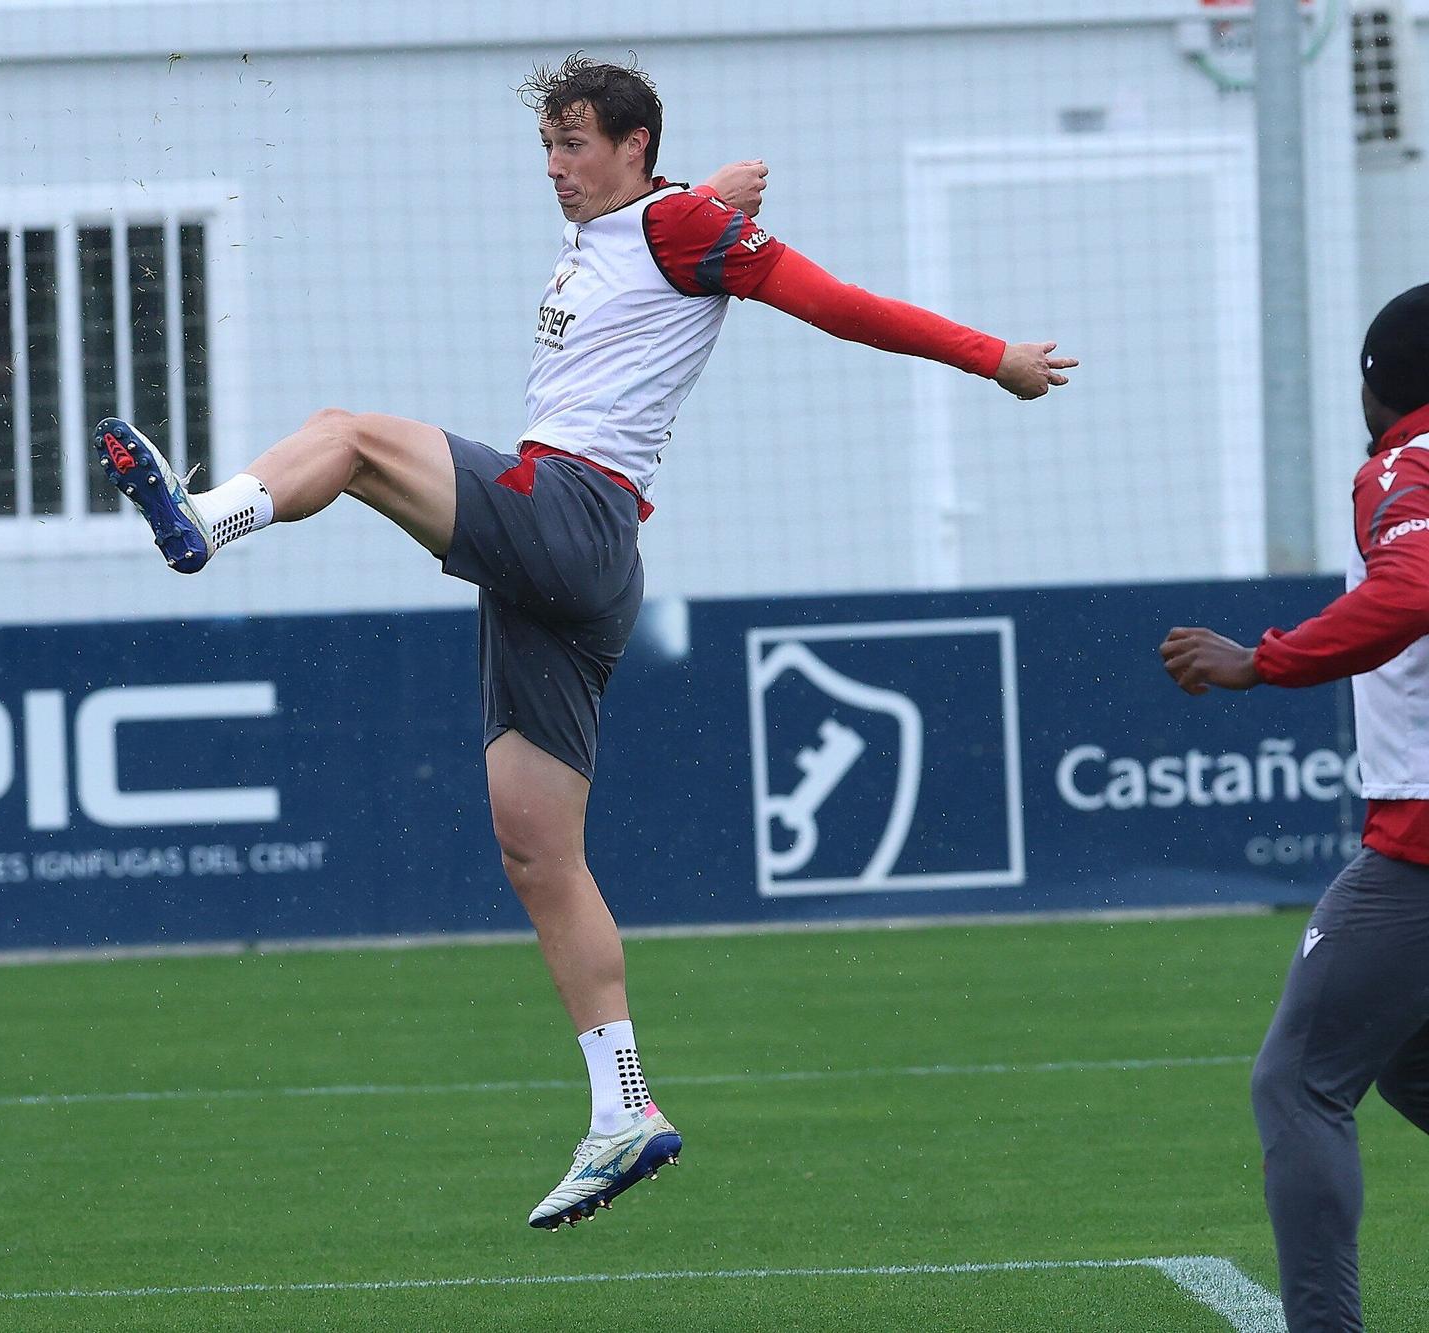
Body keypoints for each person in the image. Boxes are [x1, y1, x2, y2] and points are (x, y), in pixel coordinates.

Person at [98, 55, 1075, 1231]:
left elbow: (834, 303)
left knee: (345, 435)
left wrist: (993, 357)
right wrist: (703, 190)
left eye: (573, 145)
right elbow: (655, 228)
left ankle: (204, 520)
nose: (555, 169)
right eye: (546, 148)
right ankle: (623, 1110)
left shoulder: (682, 226)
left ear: (630, 144)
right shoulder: (648, 221)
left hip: (571, 510)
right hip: (571, 573)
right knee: (535, 853)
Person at [1160, 284, 1429, 1332]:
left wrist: (1261, 661)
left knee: (1298, 1083)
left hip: (1420, 840)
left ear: (1376, 385)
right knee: (1408, 1060)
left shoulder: (1403, 465)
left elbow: (1410, 588)